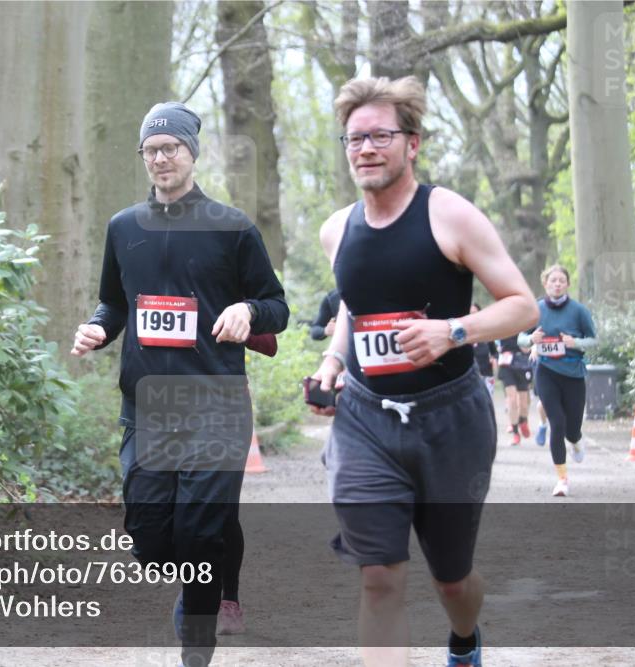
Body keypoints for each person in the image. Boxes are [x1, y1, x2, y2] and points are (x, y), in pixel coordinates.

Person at [307, 76, 538, 667]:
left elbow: (523, 306)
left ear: (412, 144)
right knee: (379, 577)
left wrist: (453, 331)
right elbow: (356, 307)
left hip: (450, 420)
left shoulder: (449, 215)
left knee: (453, 581)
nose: (365, 148)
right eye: (355, 138)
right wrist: (333, 360)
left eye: (380, 136)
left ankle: (464, 638)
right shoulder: (337, 229)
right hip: (365, 421)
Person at [70, 101, 288, 667]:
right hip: (147, 408)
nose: (161, 158)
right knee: (149, 541)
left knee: (199, 538)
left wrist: (247, 310)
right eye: (151, 150)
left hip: (215, 406)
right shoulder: (124, 227)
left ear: (192, 152)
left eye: (171, 147)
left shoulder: (233, 227)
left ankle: (196, 644)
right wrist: (98, 328)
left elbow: (276, 305)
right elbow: (114, 302)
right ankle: (202, 574)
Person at [518, 265, 596, 497]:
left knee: (571, 430)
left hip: (573, 374)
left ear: (568, 284)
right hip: (546, 372)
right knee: (557, 423)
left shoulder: (578, 311)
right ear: (546, 283)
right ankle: (562, 479)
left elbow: (594, 340)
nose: (557, 284)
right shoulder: (536, 309)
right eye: (553, 280)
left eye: (562, 280)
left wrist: (576, 343)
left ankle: (576, 440)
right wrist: (530, 339)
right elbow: (520, 338)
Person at [496, 330, 534, 446]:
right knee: (512, 400)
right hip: (506, 365)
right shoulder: (502, 324)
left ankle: (523, 420)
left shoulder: (525, 325)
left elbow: (531, 342)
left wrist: (527, 347)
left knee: (523, 403)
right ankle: (515, 433)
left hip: (522, 364)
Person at [469, 303, 498, 397]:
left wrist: (494, 358)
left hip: (487, 373)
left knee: (488, 399)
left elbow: (494, 352)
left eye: (475, 312)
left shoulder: (486, 331)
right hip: (471, 375)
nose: (472, 315)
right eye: (470, 313)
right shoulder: (464, 332)